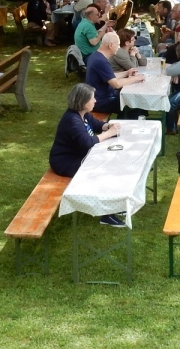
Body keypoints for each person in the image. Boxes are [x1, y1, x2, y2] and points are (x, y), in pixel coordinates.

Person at [49, 83, 127, 227]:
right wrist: (109, 133)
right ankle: (106, 214)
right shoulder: (72, 120)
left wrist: (109, 126)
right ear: (83, 102)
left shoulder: (82, 114)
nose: (95, 101)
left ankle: (113, 204)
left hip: (78, 155)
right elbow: (87, 143)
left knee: (112, 162)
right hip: (65, 161)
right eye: (92, 98)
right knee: (102, 171)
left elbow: (97, 125)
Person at [85, 32, 146, 117]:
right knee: (135, 104)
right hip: (100, 101)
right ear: (110, 45)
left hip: (100, 96)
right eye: (117, 45)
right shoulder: (101, 61)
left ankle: (124, 122)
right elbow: (116, 84)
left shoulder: (96, 56)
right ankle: (127, 127)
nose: (118, 48)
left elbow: (110, 76)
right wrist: (136, 78)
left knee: (135, 100)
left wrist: (126, 73)